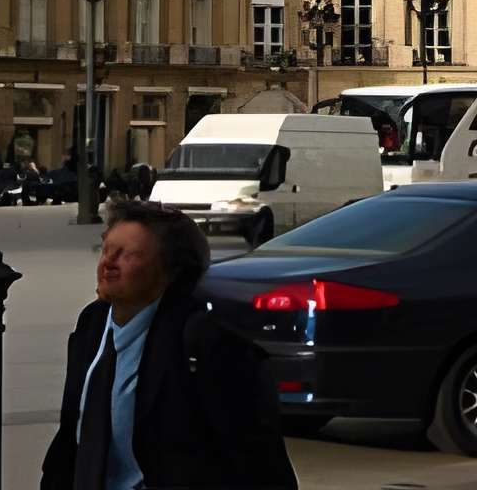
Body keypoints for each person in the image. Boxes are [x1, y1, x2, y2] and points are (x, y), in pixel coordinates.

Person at [40, 199, 297, 490]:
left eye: (128, 255)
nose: (108, 263)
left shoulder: (208, 343)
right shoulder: (93, 323)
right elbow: (71, 434)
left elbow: (261, 463)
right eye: (106, 249)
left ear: (171, 272)